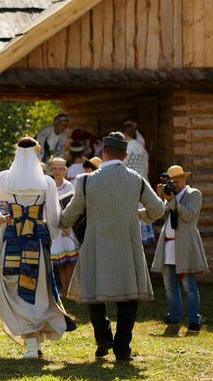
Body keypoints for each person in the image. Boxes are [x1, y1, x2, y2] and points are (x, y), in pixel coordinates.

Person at [59, 132, 165, 362]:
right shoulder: (136, 179)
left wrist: (59, 220)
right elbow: (158, 210)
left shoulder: (86, 181)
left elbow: (70, 215)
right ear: (125, 155)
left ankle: (104, 339)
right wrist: (139, 214)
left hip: (96, 244)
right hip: (127, 246)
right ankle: (122, 350)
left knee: (94, 295)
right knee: (128, 299)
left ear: (103, 153)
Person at [0, 137, 75, 359]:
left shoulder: (6, 179)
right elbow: (53, 215)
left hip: (12, 237)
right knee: (36, 288)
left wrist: (0, 217)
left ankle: (31, 345)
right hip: (36, 239)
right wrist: (52, 235)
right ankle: (32, 345)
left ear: (17, 153)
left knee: (14, 285)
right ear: (36, 155)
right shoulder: (46, 181)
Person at [150, 165, 208, 333]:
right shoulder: (170, 196)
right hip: (168, 245)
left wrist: (171, 200)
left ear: (184, 178)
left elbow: (188, 215)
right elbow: (160, 213)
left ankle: (194, 320)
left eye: (176, 180)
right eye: (171, 181)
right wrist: (161, 197)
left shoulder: (193, 194)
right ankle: (174, 316)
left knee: (189, 286)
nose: (174, 184)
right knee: (169, 286)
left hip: (184, 247)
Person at [48, 158, 78, 293]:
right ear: (51, 170)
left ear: (65, 170)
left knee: (69, 259)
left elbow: (71, 207)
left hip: (66, 226)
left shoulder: (69, 186)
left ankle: (71, 288)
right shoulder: (49, 185)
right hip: (54, 226)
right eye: (55, 168)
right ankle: (64, 288)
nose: (57, 171)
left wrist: (68, 224)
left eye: (60, 169)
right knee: (60, 259)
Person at [122, 124, 155, 246]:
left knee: (131, 208)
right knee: (142, 208)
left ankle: (133, 237)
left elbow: (122, 166)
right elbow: (146, 167)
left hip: (129, 182)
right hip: (143, 181)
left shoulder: (126, 148)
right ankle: (144, 238)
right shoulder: (142, 149)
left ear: (126, 134)